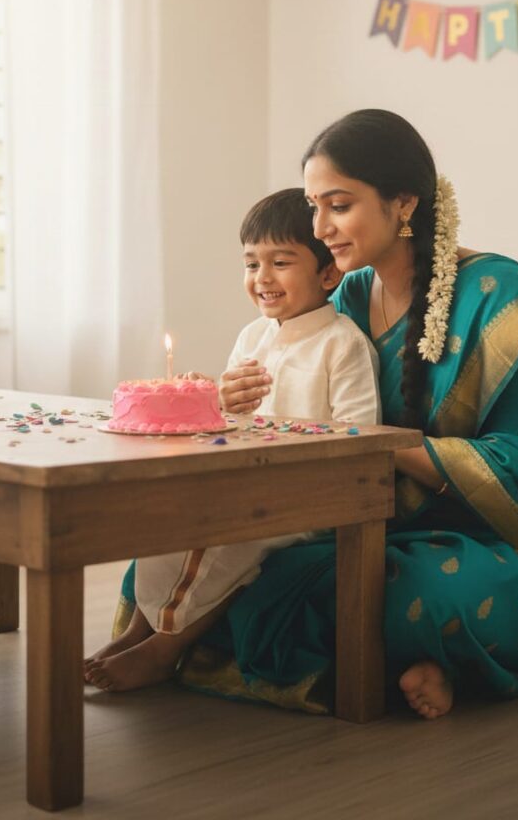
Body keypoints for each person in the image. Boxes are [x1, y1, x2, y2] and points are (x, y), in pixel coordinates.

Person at [125, 108, 518, 720]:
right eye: (313, 205)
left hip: (485, 532)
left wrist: (375, 449)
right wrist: (241, 397)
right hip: (360, 516)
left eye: (339, 204)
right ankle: (417, 667)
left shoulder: (496, 294)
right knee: (205, 552)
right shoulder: (348, 295)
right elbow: (306, 403)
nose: (319, 226)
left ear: (403, 202)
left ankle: (433, 662)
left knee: (418, 593)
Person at [85, 187, 381, 692]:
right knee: (169, 517)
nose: (262, 278)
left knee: (229, 539)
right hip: (246, 483)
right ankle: (137, 630)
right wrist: (214, 401)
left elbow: (361, 435)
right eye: (251, 264)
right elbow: (227, 425)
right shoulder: (252, 337)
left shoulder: (343, 344)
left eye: (281, 262)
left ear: (328, 273)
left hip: (306, 496)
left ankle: (165, 649)